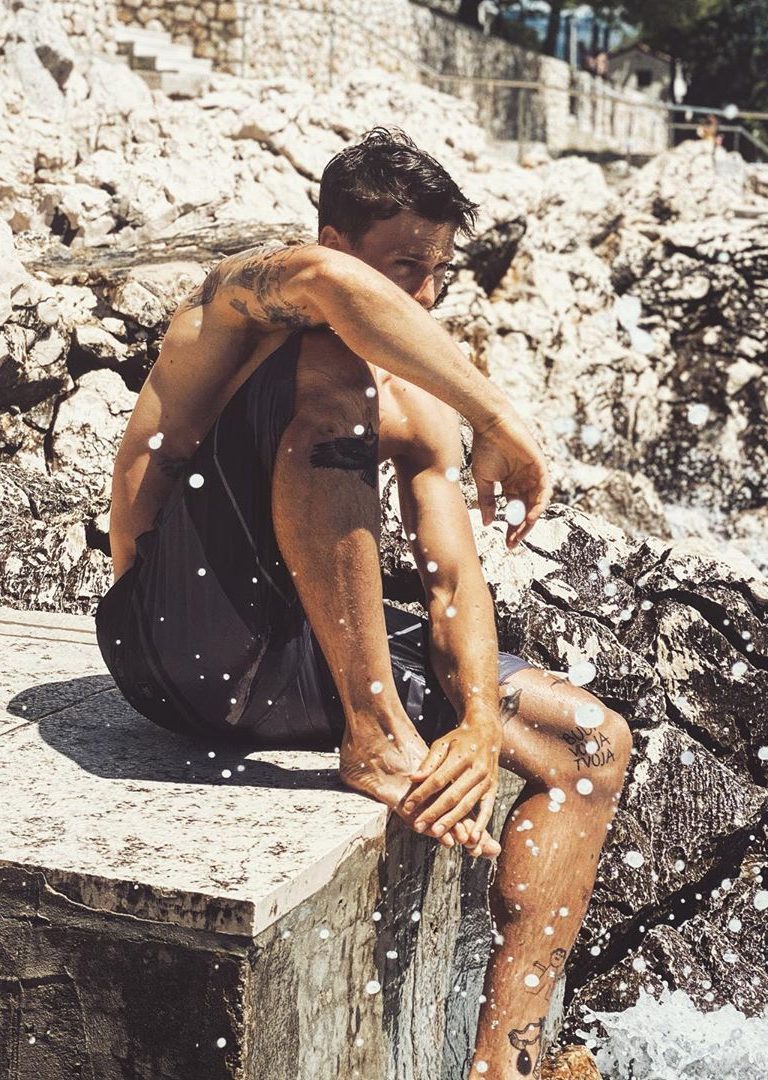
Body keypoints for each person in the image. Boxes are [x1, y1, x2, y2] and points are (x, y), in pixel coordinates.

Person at [95, 127, 632, 1079]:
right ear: (337, 241)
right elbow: (328, 288)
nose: (420, 296)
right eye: (402, 267)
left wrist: (478, 723)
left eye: (437, 273)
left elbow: (452, 575)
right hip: (176, 645)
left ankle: (505, 1062)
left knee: (591, 745)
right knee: (331, 365)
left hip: (299, 663)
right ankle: (375, 732)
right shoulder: (237, 309)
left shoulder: (419, 399)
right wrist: (501, 417)